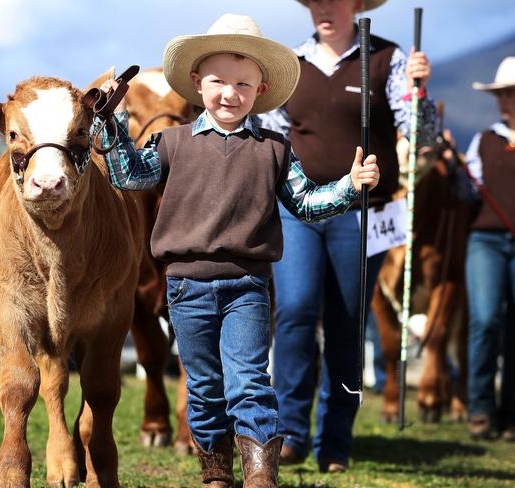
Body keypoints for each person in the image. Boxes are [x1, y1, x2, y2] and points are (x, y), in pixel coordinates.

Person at [97, 13, 379, 487]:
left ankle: (260, 477)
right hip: (185, 287)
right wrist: (112, 121)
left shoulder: (276, 149)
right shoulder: (170, 143)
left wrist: (350, 186)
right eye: (218, 81)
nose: (230, 93)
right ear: (196, 83)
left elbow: (308, 205)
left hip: (248, 286)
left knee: (249, 381)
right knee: (204, 388)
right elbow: (126, 174)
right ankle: (215, 475)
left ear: (261, 89)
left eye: (243, 84)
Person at [255, 0, 436, 472]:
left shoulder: (389, 58)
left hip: (363, 211)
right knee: (293, 311)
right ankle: (290, 432)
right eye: (314, 0)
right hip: (299, 208)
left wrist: (420, 91)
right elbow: (273, 137)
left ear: (356, 5)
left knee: (347, 319)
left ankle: (335, 440)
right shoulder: (290, 65)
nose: (323, 8)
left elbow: (422, 134)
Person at [465, 55, 515, 442]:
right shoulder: (483, 140)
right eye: (502, 94)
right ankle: (480, 407)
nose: (506, 100)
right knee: (484, 319)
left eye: (512, 93)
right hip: (486, 239)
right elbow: (466, 194)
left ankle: (510, 413)